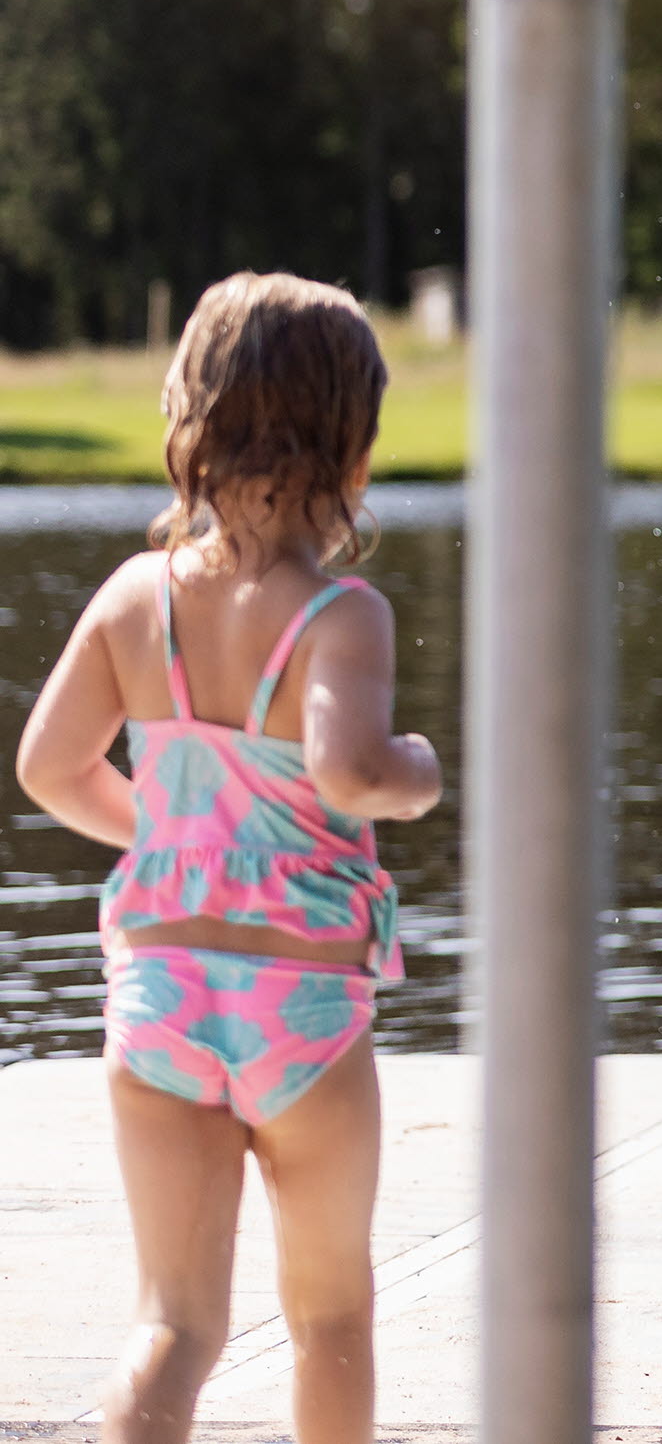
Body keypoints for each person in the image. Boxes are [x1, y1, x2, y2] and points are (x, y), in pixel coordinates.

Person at [15, 273, 442, 1443]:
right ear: (349, 438)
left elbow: (50, 771)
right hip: (298, 1005)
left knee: (175, 1323)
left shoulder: (132, 598)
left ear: (192, 418)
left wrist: (170, 833)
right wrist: (418, 766)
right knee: (331, 1317)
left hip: (158, 1001)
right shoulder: (339, 615)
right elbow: (349, 771)